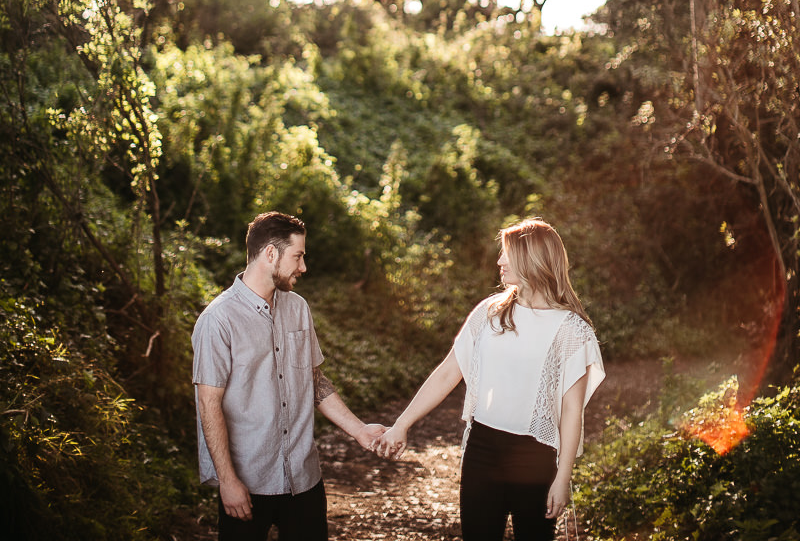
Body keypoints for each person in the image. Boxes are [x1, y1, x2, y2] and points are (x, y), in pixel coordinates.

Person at [375, 217, 605, 541]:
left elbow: (571, 411)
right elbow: (446, 374)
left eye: (506, 253)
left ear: (530, 258)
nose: (499, 261)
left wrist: (563, 477)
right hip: (482, 451)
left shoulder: (572, 330)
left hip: (535, 458)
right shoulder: (489, 314)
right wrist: (402, 424)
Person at [192, 210, 385, 540]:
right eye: (298, 256)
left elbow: (314, 380)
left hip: (304, 478)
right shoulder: (218, 320)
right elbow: (208, 405)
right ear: (270, 253)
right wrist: (227, 480)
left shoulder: (298, 308)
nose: (303, 267)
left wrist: (359, 430)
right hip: (248, 483)